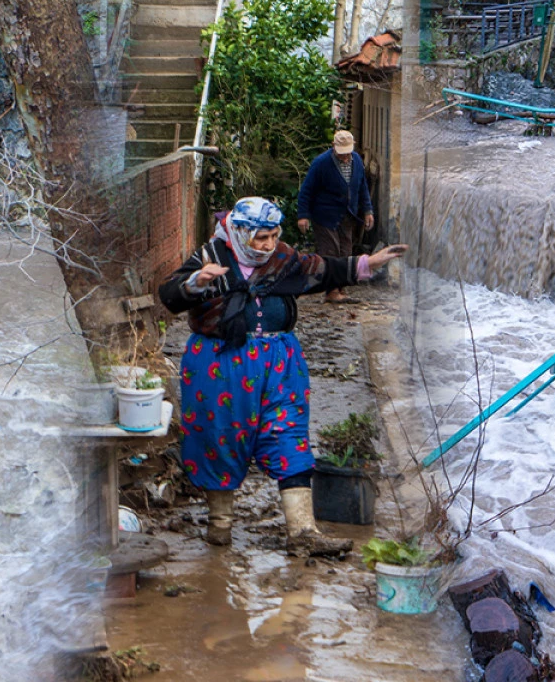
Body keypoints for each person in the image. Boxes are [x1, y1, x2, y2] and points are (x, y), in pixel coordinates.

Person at [158, 197, 407, 556]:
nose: (268, 245)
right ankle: (220, 526)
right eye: (260, 238)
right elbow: (170, 294)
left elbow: (323, 269)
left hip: (279, 363)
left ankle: (303, 531)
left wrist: (369, 263)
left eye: (274, 236)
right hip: (219, 365)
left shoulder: (284, 258)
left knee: (288, 432)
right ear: (240, 233)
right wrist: (197, 282)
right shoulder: (210, 253)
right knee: (219, 436)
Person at [297, 130, 374, 303]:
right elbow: (306, 191)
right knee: (330, 252)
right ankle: (331, 291)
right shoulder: (321, 163)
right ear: (334, 147)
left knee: (346, 251)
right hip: (325, 215)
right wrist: (303, 215)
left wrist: (368, 211)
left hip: (347, 214)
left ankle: (340, 288)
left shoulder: (357, 161)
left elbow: (362, 188)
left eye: (348, 153)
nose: (346, 158)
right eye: (342, 154)